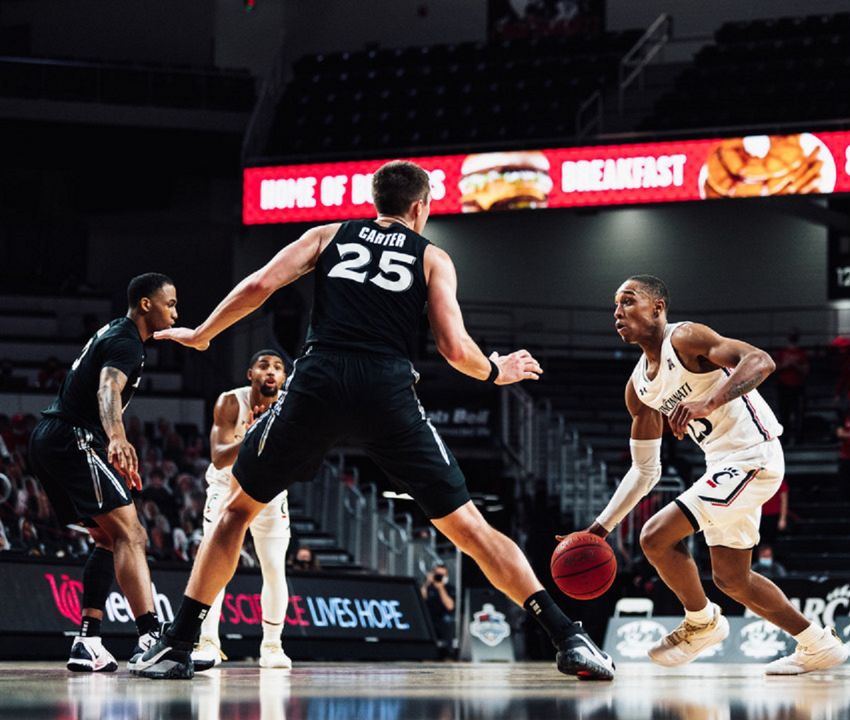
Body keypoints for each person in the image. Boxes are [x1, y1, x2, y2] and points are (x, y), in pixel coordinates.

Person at [132, 161, 612, 680]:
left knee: (235, 512)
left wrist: (204, 331)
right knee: (471, 529)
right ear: (421, 207)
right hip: (386, 388)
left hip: (318, 380)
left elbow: (261, 283)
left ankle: (178, 644)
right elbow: (453, 349)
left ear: (375, 201)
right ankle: (567, 636)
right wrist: (497, 371)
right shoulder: (433, 257)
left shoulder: (327, 234)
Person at [568, 275, 847, 675]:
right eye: (614, 306)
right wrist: (600, 527)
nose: (618, 312)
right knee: (733, 579)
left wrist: (709, 402)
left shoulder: (685, 339)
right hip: (724, 466)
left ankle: (701, 622)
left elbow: (761, 360)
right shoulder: (639, 390)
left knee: (654, 536)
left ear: (657, 308)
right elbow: (645, 471)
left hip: (754, 456)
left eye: (629, 301)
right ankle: (817, 644)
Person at [26, 273, 178, 673]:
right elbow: (107, 389)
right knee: (133, 533)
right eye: (170, 303)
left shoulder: (115, 331)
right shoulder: (127, 342)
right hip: (74, 438)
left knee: (108, 537)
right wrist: (117, 438)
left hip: (51, 439)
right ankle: (151, 639)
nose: (175, 311)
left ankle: (88, 639)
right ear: (146, 304)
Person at [191, 350, 294, 670]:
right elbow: (219, 456)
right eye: (264, 366)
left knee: (275, 566)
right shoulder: (230, 402)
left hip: (269, 491)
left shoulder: (291, 409)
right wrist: (250, 437)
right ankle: (208, 642)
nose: (271, 372)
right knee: (215, 563)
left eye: (278, 367)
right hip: (226, 487)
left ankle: (272, 645)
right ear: (250, 374)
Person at [772, 331, 809, 445]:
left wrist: (795, 365)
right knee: (784, 413)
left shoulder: (802, 353)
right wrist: (786, 364)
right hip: (784, 386)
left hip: (797, 386)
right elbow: (775, 367)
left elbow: (806, 370)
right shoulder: (782, 352)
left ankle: (799, 439)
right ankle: (785, 439)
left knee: (798, 413)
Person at [420, 562, 457, 655]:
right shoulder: (428, 587)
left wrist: (441, 588)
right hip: (429, 616)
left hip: (442, 618)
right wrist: (427, 582)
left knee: (448, 620)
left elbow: (450, 606)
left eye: (442, 575)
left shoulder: (449, 588)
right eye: (438, 575)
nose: (440, 577)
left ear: (446, 576)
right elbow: (420, 600)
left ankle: (449, 653)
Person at [759, 478, 789, 546]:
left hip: (774, 515)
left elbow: (784, 500)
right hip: (759, 515)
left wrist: (782, 518)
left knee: (771, 542)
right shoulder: (758, 479)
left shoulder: (778, 480)